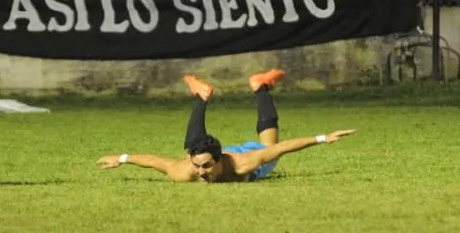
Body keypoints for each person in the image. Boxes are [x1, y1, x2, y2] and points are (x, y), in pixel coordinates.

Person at [95, 69, 356, 183]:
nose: (201, 172)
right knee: (192, 146)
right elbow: (155, 161)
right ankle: (258, 86)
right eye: (198, 166)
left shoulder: (245, 164)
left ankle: (259, 87)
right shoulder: (187, 170)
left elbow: (283, 149)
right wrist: (122, 158)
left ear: (219, 161)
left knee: (270, 144)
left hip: (253, 153)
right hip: (222, 150)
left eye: (206, 166)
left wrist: (324, 137)